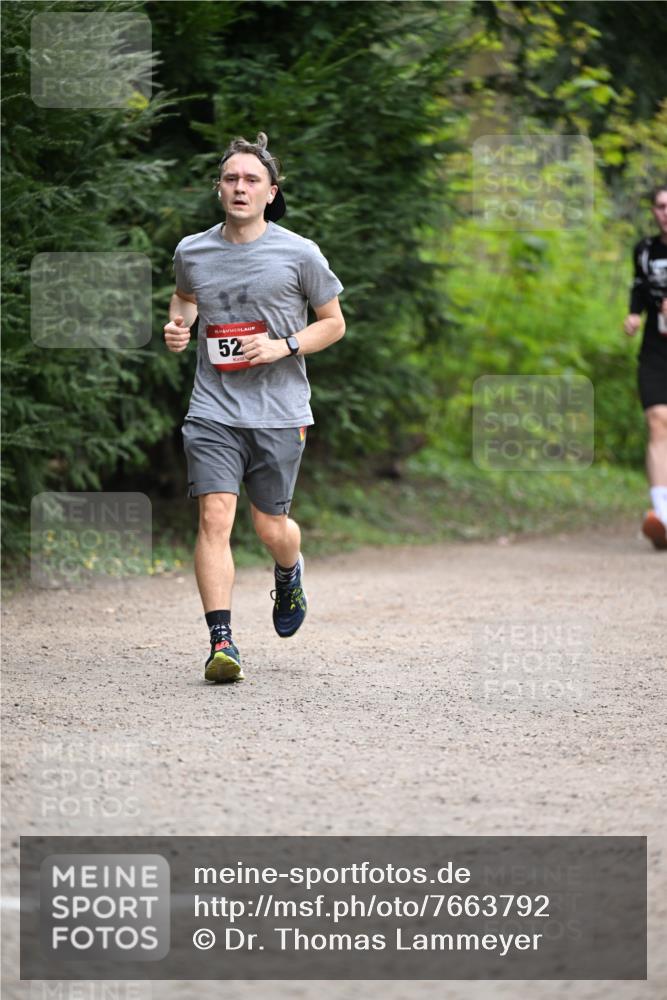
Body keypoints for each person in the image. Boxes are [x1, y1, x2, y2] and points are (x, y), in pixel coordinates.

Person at [164, 132, 345, 681]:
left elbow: (334, 324)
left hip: (279, 411)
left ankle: (289, 570)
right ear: (218, 188)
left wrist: (282, 345)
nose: (239, 187)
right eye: (230, 178)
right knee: (215, 517)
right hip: (213, 409)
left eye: (251, 180)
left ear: (270, 192)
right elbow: (185, 298)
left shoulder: (299, 253)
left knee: (271, 527)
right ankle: (222, 641)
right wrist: (179, 328)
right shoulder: (192, 251)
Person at [624, 184, 667, 550]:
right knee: (657, 421)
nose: (666, 212)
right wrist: (633, 316)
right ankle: (662, 516)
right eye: (661, 206)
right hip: (655, 349)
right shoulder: (644, 250)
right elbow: (639, 288)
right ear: (654, 211)